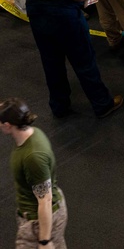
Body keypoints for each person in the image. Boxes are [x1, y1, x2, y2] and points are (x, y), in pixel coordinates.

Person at [2, 97, 73, 248]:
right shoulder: (33, 132)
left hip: (38, 224)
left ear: (7, 125)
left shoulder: (33, 157)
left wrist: (44, 240)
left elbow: (45, 200)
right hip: (41, 215)